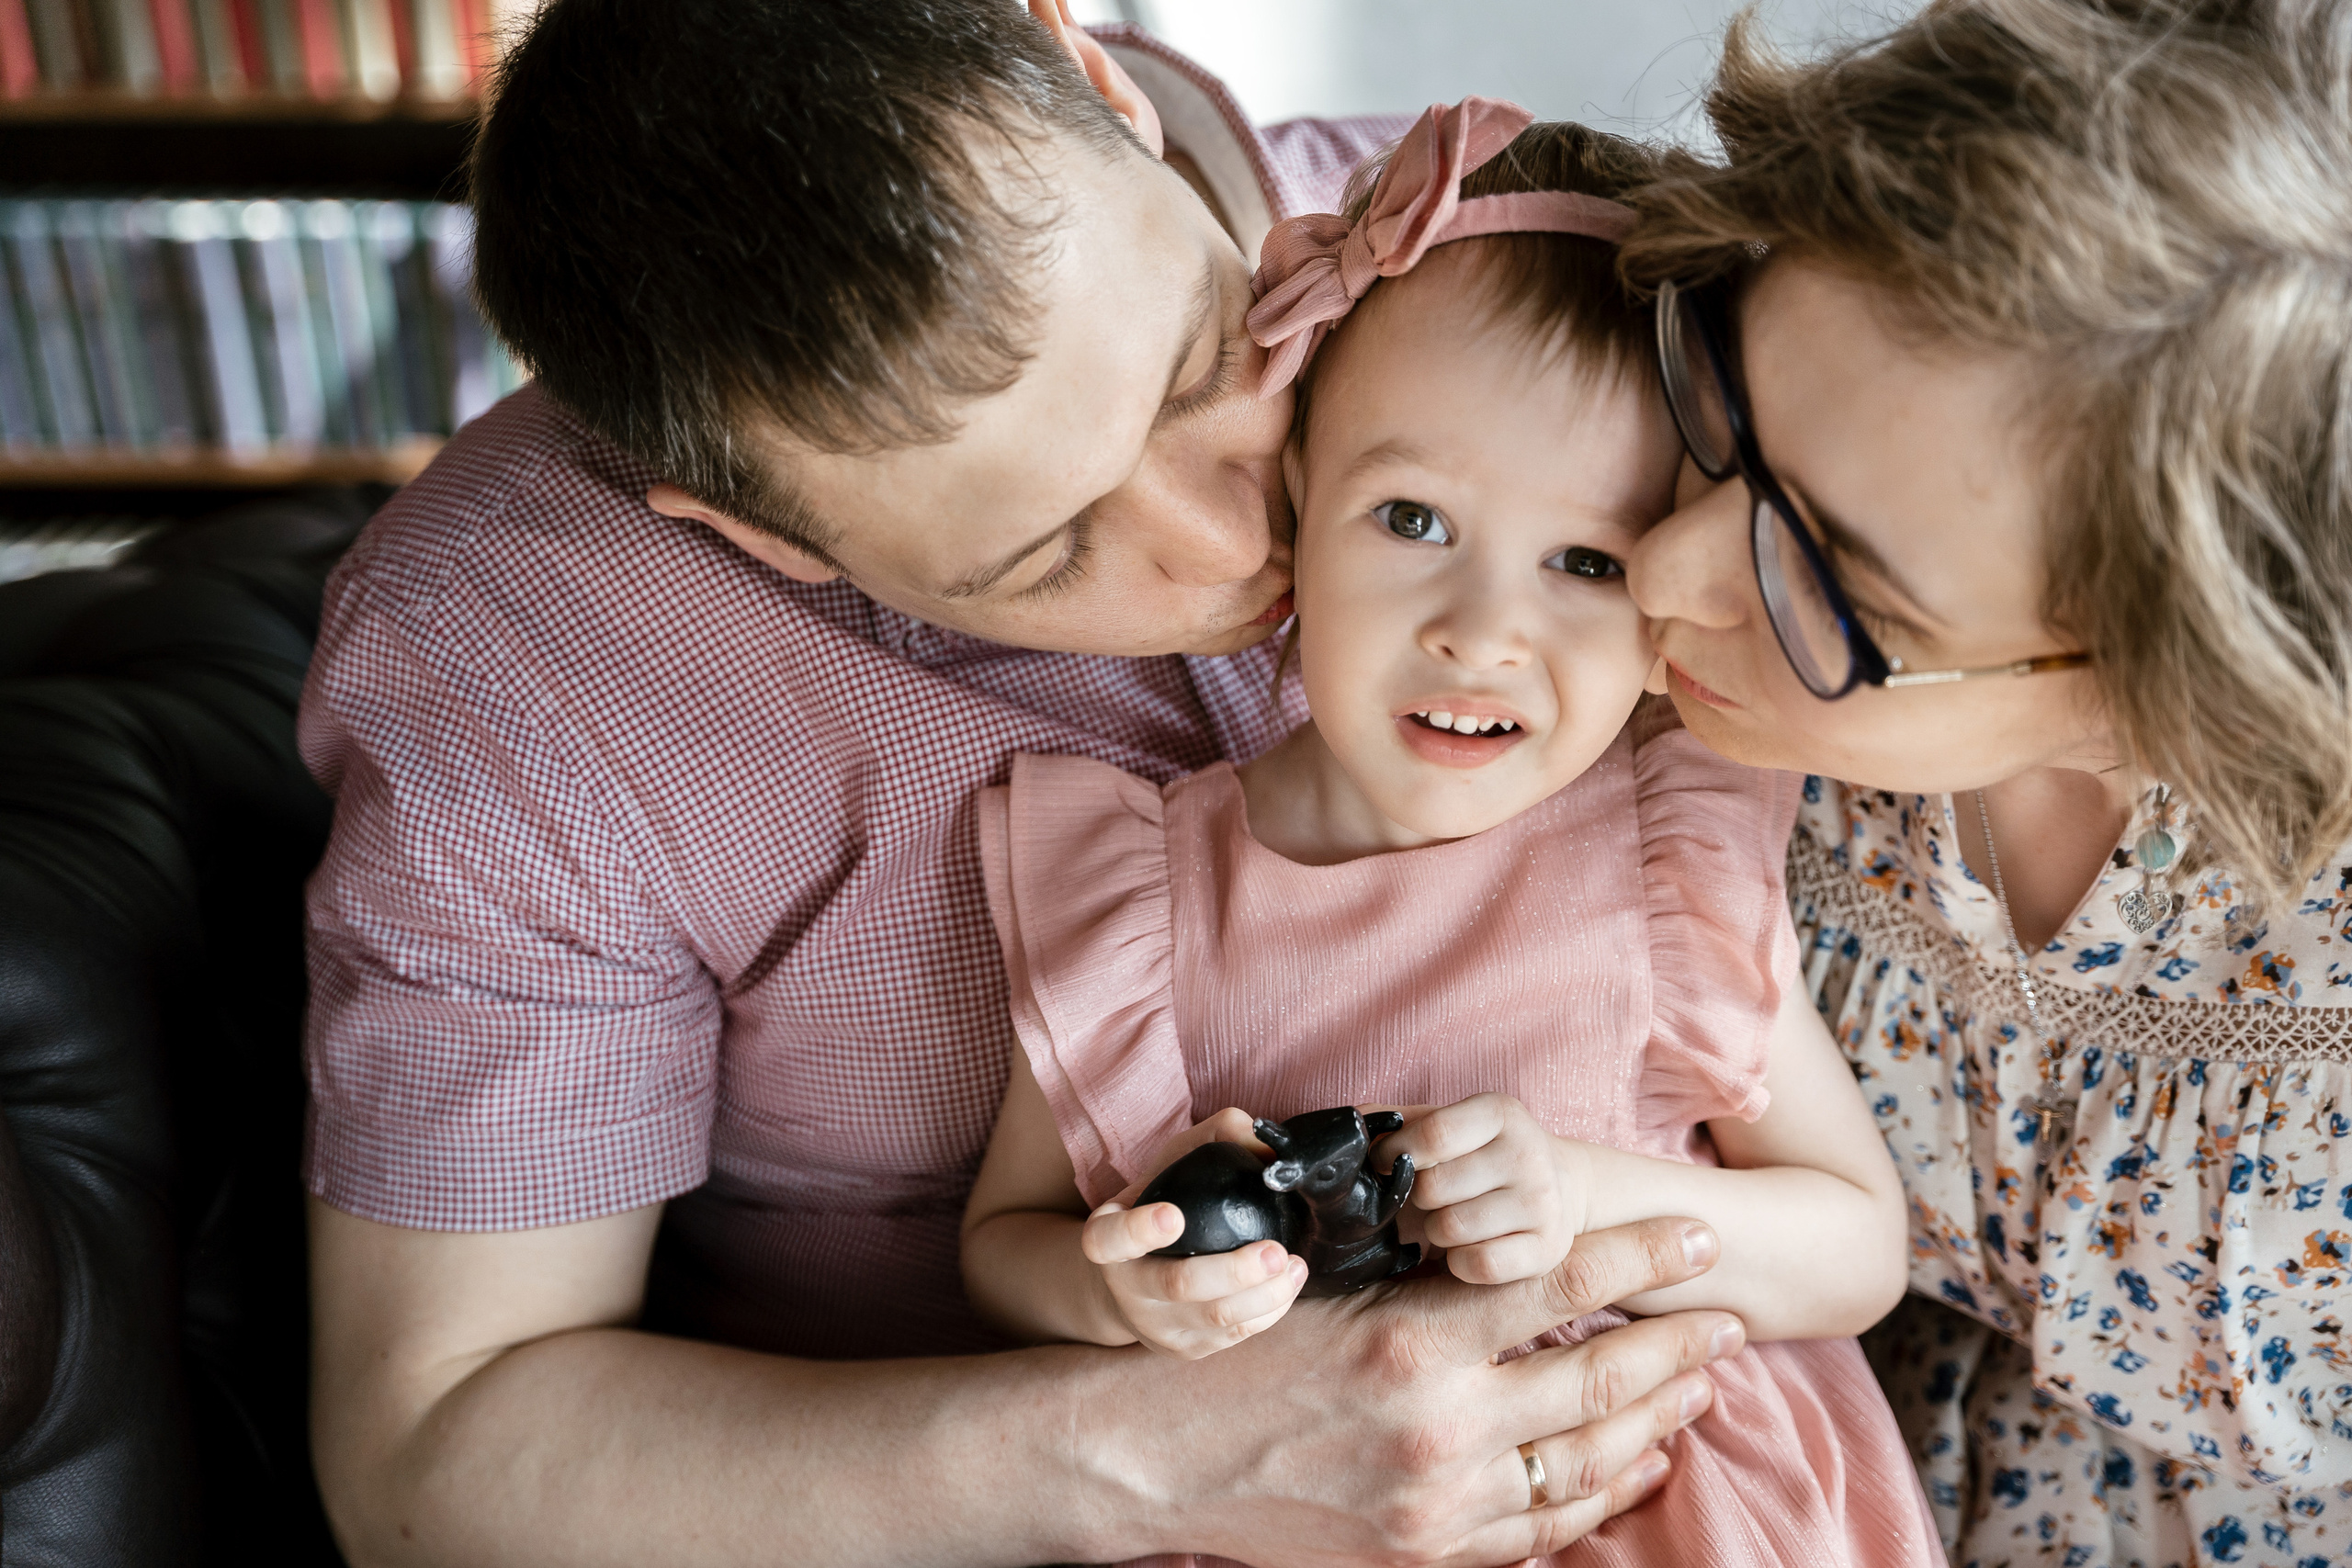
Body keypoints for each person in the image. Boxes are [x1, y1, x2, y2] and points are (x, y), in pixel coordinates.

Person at [298, 4, 1740, 1565]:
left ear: (1093, 72)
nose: (1240, 544)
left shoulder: (1514, 254)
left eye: (1202, 361)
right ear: (763, 541)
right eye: (1046, 551)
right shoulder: (512, 661)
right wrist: (1150, 1456)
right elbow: (431, 1459)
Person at [958, 103, 1939, 1568]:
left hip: (1663, 1498)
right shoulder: (1147, 896)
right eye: (1412, 519)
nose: (1483, 633)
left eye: (1587, 560)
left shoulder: (1657, 859)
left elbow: (1858, 1246)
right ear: (1296, 504)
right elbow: (1003, 1244)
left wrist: (1592, 1198)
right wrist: (1122, 1290)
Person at [1616, 1, 2352, 1562]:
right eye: (1730, 405)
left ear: (2162, 696)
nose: (1665, 569)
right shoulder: (1663, 680)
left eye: (1837, 591)